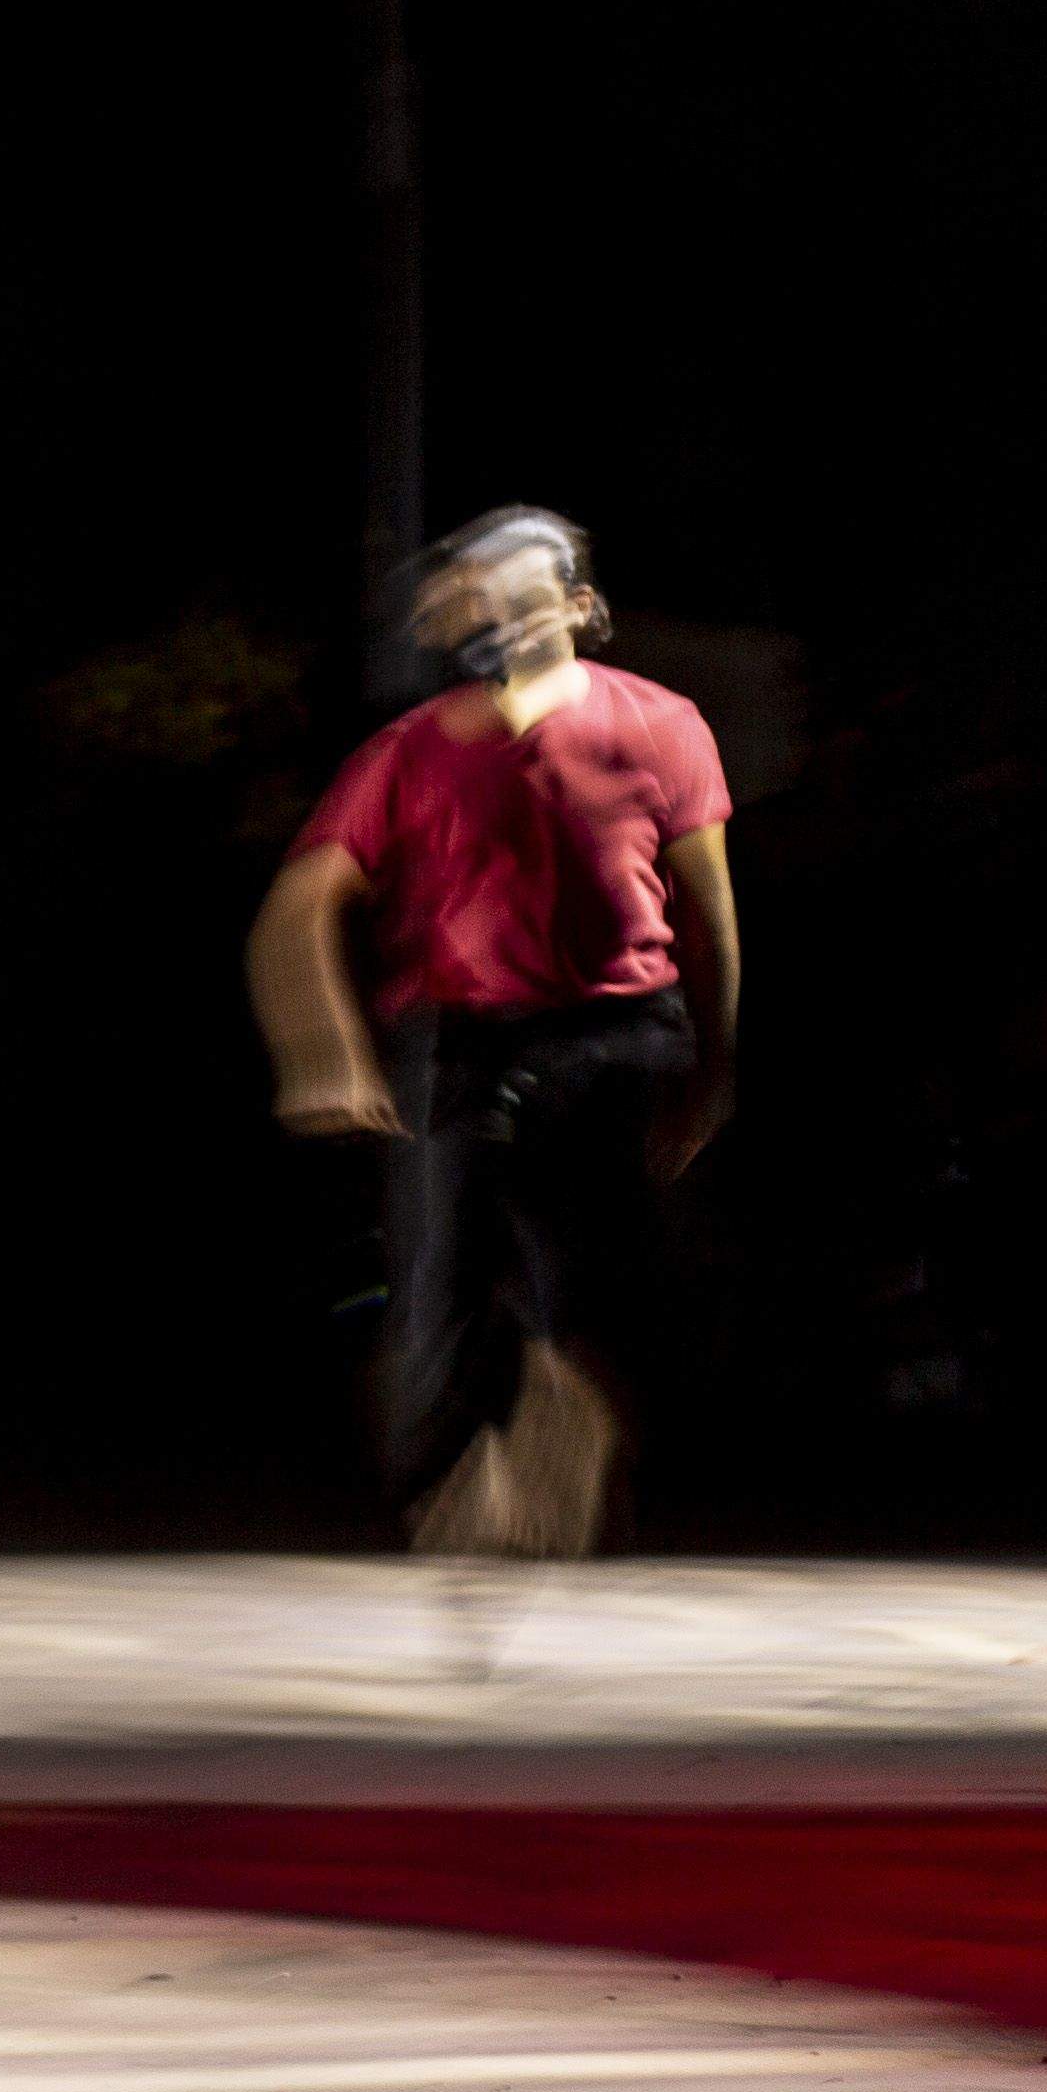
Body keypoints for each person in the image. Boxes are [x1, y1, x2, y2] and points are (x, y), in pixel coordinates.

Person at [250, 503, 738, 1559]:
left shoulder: (660, 723)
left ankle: (564, 1438)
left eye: (523, 593)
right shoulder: (413, 748)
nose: (499, 616)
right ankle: (471, 1471)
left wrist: (717, 1062)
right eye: (481, 595)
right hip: (466, 1041)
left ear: (579, 607)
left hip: (617, 1034)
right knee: (442, 1280)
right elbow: (298, 907)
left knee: (588, 1273)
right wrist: (321, 1050)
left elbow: (707, 914)